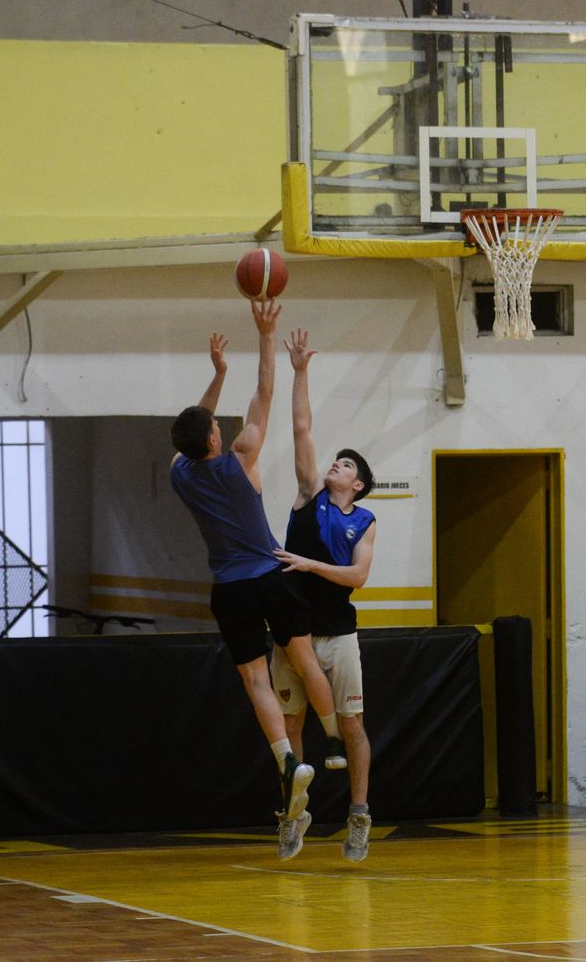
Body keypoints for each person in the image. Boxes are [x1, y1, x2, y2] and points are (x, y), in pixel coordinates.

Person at [168, 298, 345, 861]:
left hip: (228, 588)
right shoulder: (240, 456)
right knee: (305, 660)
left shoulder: (180, 474)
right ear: (217, 440)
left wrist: (216, 377)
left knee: (255, 682)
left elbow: (191, 430)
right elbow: (264, 398)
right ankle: (334, 742)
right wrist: (265, 337)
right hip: (270, 573)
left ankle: (286, 759)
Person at [271, 328, 379, 862]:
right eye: (336, 461)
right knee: (289, 729)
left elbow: (357, 578)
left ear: (357, 485)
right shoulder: (308, 496)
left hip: (339, 635)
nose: (336, 464)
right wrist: (299, 371)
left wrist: (311, 564)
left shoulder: (364, 521)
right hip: (292, 632)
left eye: (347, 465)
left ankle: (358, 814)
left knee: (352, 724)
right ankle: (294, 814)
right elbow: (301, 426)